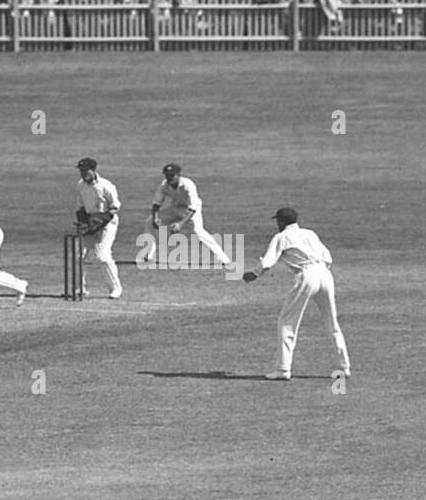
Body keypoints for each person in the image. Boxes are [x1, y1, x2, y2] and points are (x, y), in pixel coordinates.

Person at [243, 208, 351, 380]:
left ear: (281, 222)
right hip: (325, 274)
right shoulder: (310, 233)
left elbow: (268, 261)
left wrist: (254, 274)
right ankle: (344, 367)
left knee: (287, 322)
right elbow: (327, 257)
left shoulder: (281, 237)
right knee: (332, 323)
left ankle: (283, 370)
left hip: (306, 275)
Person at [143, 163, 234, 267]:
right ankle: (148, 255)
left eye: (171, 175)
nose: (169, 178)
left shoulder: (188, 184)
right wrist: (156, 217)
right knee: (149, 222)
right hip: (175, 207)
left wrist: (180, 224)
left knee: (198, 231)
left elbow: (193, 207)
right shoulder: (164, 185)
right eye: (167, 175)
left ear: (178, 175)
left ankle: (225, 259)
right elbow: (156, 203)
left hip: (190, 210)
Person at [74, 158, 123, 299]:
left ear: (93, 170)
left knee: (103, 257)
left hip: (107, 224)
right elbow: (80, 207)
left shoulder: (106, 185)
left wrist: (101, 220)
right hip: (90, 222)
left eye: (85, 171)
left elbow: (115, 207)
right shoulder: (80, 185)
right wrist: (84, 223)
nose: (83, 174)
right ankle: (80, 289)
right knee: (79, 257)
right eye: (81, 171)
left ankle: (115, 288)